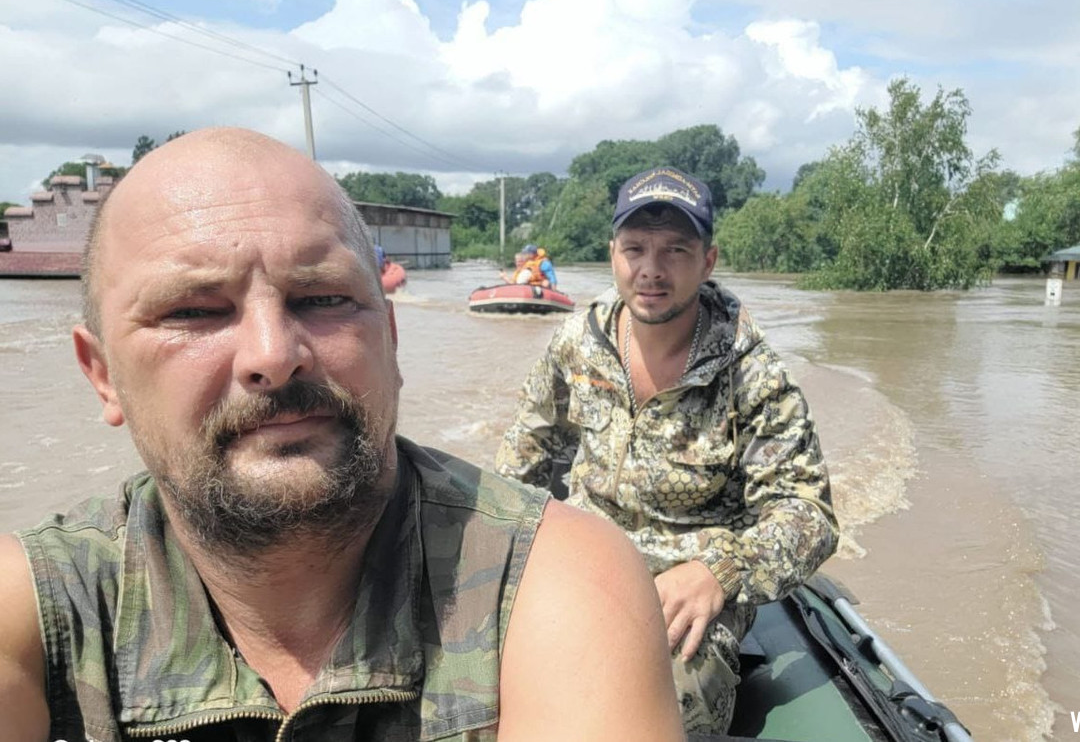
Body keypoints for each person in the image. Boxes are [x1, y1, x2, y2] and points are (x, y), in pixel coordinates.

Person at [0, 129, 683, 742]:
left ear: (389, 335)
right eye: (195, 310)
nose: (272, 353)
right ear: (102, 374)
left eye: (323, 297)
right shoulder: (36, 610)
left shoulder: (553, 581)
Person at [495, 166, 839, 733]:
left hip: (687, 586)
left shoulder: (752, 374)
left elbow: (810, 515)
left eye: (676, 250)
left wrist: (720, 571)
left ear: (708, 261)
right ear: (613, 254)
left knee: (662, 705)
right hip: (584, 560)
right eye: (636, 248)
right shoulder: (578, 342)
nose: (651, 270)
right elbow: (525, 457)